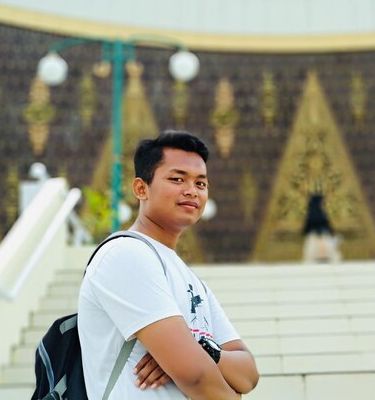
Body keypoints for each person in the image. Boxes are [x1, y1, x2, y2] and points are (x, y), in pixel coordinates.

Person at [78, 130, 259, 399]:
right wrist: (198, 363)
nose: (191, 191)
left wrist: (202, 348)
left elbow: (248, 373)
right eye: (177, 179)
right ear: (141, 188)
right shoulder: (125, 254)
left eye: (200, 183)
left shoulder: (190, 279)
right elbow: (195, 376)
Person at [302, 193, 341, 263]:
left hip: (314, 238)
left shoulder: (312, 213)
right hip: (321, 238)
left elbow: (306, 229)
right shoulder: (320, 214)